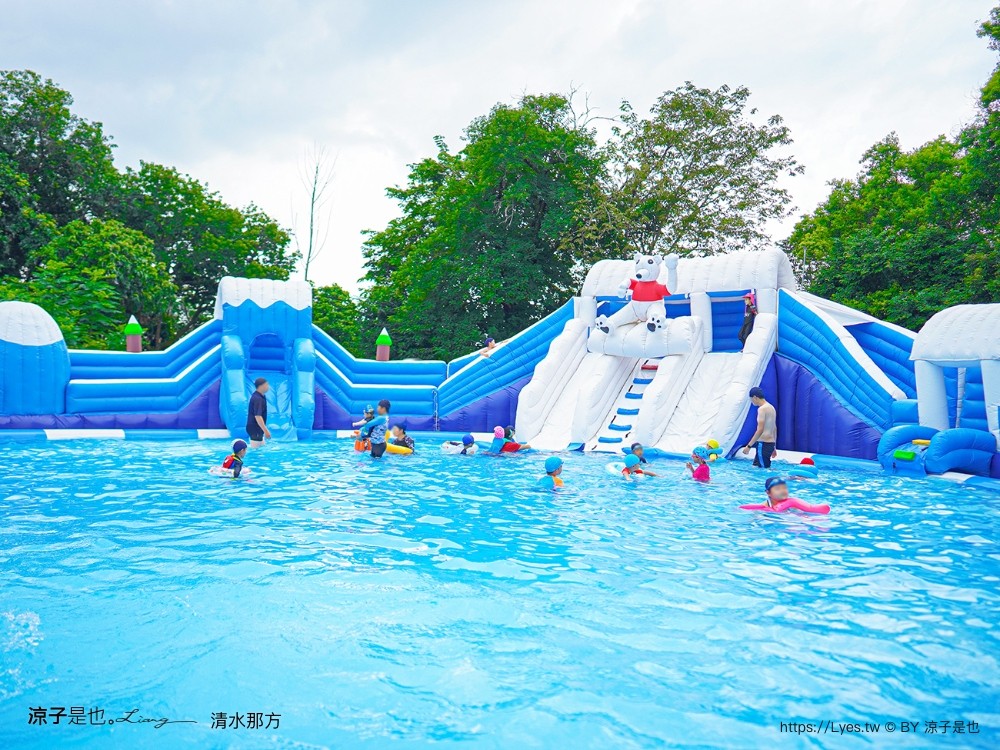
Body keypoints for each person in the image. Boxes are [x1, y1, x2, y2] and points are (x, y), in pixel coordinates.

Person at [742, 387, 777, 468]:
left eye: (751, 399)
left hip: (763, 444)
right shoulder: (771, 408)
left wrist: (749, 446)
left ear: (755, 397)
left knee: (762, 470)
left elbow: (760, 430)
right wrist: (774, 446)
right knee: (757, 467)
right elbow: (774, 428)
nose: (751, 402)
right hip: (770, 444)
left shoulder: (762, 409)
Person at [246, 377, 271, 447]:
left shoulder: (260, 396)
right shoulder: (258, 399)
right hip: (255, 428)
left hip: (257, 428)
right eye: (266, 385)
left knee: (261, 448)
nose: (268, 387)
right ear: (261, 386)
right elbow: (258, 416)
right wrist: (266, 431)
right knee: (256, 451)